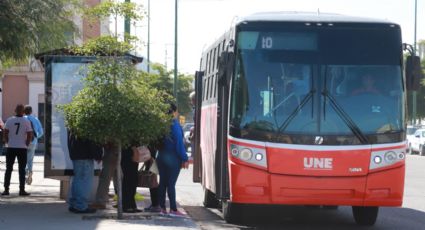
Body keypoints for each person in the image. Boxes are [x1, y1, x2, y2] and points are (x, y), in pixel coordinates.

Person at [157, 103, 189, 216]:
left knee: (162, 183)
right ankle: (173, 210)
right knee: (171, 183)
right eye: (177, 111)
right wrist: (185, 158)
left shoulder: (160, 123)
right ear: (174, 112)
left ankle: (162, 208)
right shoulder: (174, 124)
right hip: (173, 157)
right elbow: (179, 144)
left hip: (160, 156)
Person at [67, 130, 102, 214]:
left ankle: (74, 204)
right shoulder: (85, 125)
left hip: (76, 156)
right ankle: (81, 206)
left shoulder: (72, 124)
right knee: (85, 182)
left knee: (77, 180)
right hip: (85, 156)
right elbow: (92, 142)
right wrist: (98, 155)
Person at [2, 104, 33, 196]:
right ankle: (21, 190)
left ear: (15, 110)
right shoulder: (26, 121)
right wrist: (26, 144)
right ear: (23, 111)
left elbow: (5, 133)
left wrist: (8, 142)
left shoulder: (10, 120)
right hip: (22, 148)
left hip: (11, 147)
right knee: (22, 169)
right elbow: (30, 133)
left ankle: (6, 189)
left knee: (8, 169)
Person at [91, 143, 119, 210]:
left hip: (111, 151)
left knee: (105, 178)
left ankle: (100, 201)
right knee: (118, 177)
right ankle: (123, 201)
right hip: (117, 151)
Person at [23, 105, 44, 185]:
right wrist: (35, 137)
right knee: (30, 160)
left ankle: (25, 173)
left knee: (23, 159)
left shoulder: (22, 119)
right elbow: (41, 132)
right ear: (31, 111)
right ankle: (30, 171)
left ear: (24, 111)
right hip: (33, 142)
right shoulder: (36, 119)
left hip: (23, 142)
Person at [120, 147, 142, 213]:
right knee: (128, 182)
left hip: (132, 160)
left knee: (133, 183)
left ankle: (132, 205)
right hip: (127, 159)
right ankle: (126, 206)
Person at [143, 144, 161, 212]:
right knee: (152, 183)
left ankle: (155, 204)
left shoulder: (152, 141)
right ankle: (154, 204)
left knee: (153, 183)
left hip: (152, 161)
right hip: (151, 161)